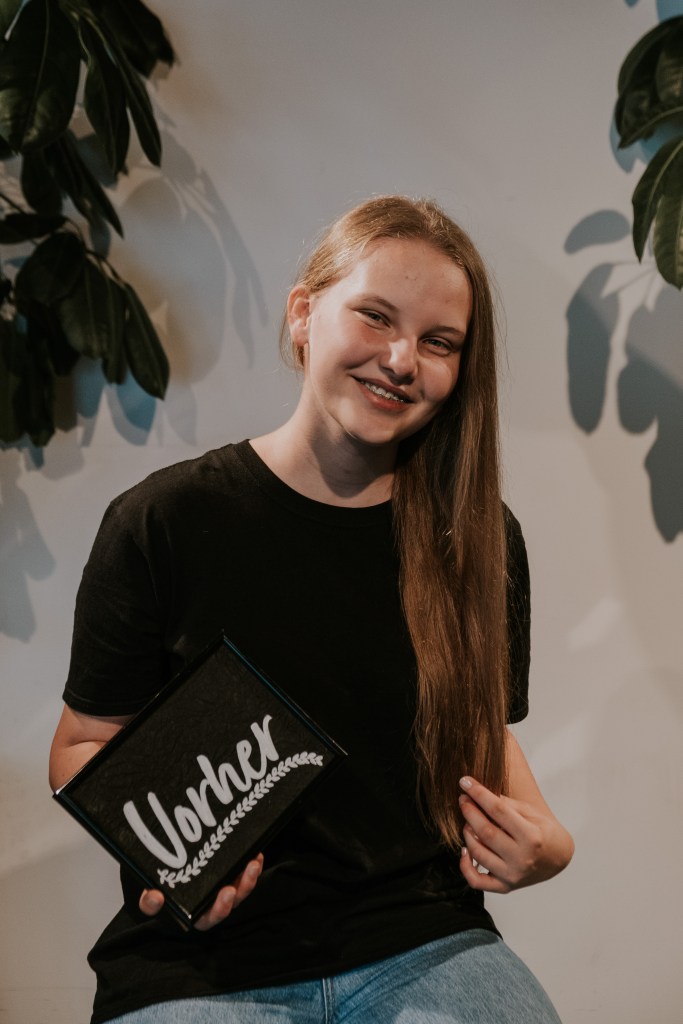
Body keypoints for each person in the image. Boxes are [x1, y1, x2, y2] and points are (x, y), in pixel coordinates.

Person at [49, 195, 574, 1024]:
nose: (401, 360)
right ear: (303, 315)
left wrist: (547, 840)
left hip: (420, 935)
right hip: (201, 964)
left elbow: (479, 728)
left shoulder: (476, 537)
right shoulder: (163, 521)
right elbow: (84, 743)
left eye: (439, 342)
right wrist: (169, 860)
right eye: (375, 316)